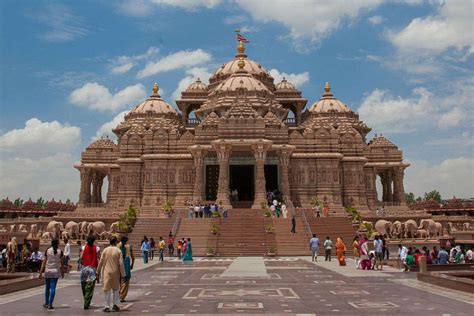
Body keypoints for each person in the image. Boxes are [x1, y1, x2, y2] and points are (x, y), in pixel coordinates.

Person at [97, 236, 125, 313]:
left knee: (106, 289)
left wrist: (98, 271)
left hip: (106, 272)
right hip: (115, 272)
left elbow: (101, 261)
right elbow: (121, 263)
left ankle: (107, 306)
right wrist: (123, 274)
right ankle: (115, 305)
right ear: (116, 242)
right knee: (116, 289)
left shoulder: (105, 250)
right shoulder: (118, 251)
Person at [39, 239, 64, 310]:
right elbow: (62, 263)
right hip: (55, 271)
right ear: (58, 244)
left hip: (48, 270)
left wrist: (40, 272)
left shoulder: (47, 250)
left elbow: (44, 262)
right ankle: (50, 304)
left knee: (47, 287)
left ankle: (46, 302)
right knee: (53, 288)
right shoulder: (60, 251)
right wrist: (62, 272)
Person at [80, 235, 100, 310]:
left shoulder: (83, 247)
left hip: (85, 268)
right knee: (90, 287)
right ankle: (86, 302)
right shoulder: (97, 248)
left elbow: (81, 257)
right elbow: (99, 258)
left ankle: (86, 299)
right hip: (92, 269)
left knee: (84, 285)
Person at [118, 236, 134, 303]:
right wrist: (132, 265)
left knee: (120, 281)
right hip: (126, 265)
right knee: (125, 281)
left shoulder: (117, 246)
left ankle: (119, 295)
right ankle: (121, 296)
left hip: (118, 265)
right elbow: (133, 257)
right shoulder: (129, 247)